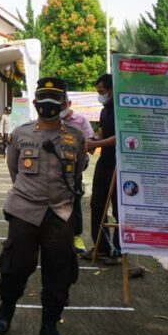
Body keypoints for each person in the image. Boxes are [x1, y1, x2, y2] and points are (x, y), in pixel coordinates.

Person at [0, 77, 86, 335]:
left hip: (60, 213)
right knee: (16, 266)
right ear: (35, 103)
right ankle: (7, 306)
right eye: (43, 99)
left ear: (64, 104)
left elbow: (76, 172)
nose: (48, 105)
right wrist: (28, 194)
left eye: (54, 100)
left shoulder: (76, 137)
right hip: (24, 210)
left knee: (59, 272)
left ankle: (49, 326)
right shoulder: (20, 134)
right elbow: (14, 169)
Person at [84, 74, 121, 265]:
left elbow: (118, 138)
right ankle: (101, 246)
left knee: (119, 208)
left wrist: (96, 143)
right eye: (98, 91)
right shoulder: (104, 110)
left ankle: (118, 251)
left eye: (102, 91)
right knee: (97, 204)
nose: (100, 95)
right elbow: (102, 133)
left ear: (113, 89)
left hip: (120, 164)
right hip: (104, 162)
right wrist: (92, 143)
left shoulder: (121, 110)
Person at [59, 95, 94, 254]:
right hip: (55, 167)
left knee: (75, 200)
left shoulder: (80, 120)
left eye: (63, 104)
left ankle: (76, 236)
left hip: (75, 168)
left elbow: (90, 142)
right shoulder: (50, 119)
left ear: (69, 103)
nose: (61, 107)